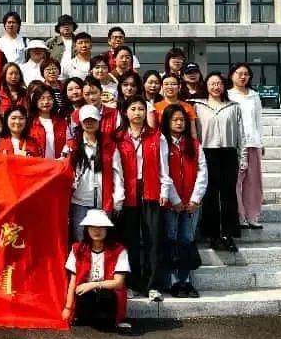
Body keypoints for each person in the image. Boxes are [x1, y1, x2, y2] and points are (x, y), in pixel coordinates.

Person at [114, 97, 171, 302]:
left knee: (153, 238)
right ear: (125, 112)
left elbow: (164, 165)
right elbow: (115, 169)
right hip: (128, 192)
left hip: (151, 190)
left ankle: (153, 285)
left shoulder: (157, 136)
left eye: (141, 109)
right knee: (129, 240)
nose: (137, 113)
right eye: (133, 108)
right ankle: (132, 283)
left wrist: (165, 190)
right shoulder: (118, 137)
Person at [193, 73, 246, 253]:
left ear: (224, 86)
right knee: (210, 195)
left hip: (229, 153)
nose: (216, 87)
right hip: (207, 153)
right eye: (212, 83)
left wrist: (243, 157)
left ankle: (229, 235)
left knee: (229, 195)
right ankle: (213, 235)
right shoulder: (198, 106)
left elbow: (241, 134)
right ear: (206, 86)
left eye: (219, 83)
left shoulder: (234, 107)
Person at [160, 103, 207, 298]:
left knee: (187, 240)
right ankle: (172, 281)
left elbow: (202, 173)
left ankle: (185, 281)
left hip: (191, 204)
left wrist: (195, 199)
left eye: (182, 120)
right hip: (171, 203)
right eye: (175, 120)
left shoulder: (194, 144)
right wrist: (175, 200)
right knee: (170, 240)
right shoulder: (162, 143)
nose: (179, 123)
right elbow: (163, 173)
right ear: (167, 122)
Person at [62, 209, 131, 333]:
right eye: (92, 227)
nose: (96, 231)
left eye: (101, 227)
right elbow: (73, 281)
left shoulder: (119, 250)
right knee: (84, 295)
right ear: (87, 229)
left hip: (108, 297)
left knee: (105, 295)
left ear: (107, 229)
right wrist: (68, 308)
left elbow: (119, 282)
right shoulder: (77, 249)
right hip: (85, 296)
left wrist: (93, 285)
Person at [67, 104, 125, 242]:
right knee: (80, 239)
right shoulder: (72, 145)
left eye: (93, 120)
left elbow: (117, 173)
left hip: (103, 201)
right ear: (80, 122)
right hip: (79, 201)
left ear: (99, 121)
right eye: (86, 120)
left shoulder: (110, 145)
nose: (89, 123)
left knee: (101, 240)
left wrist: (118, 199)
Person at [228, 62, 264, 230]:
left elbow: (258, 120)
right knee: (235, 181)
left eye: (246, 74)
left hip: (253, 142)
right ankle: (239, 215)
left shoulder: (254, 96)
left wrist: (261, 142)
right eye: (239, 73)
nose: (242, 77)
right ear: (232, 75)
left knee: (253, 182)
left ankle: (252, 215)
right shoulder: (228, 94)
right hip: (235, 144)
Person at [69, 77, 122, 142]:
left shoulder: (114, 114)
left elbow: (121, 138)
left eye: (94, 93)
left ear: (101, 92)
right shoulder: (76, 115)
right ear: (83, 95)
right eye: (87, 94)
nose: (91, 97)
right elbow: (72, 139)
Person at [27, 85, 68, 159]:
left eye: (49, 98)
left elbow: (68, 142)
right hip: (37, 164)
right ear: (35, 101)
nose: (46, 102)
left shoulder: (62, 122)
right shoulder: (29, 123)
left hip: (58, 163)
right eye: (42, 98)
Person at [155, 74, 199, 139]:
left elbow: (193, 133)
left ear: (179, 86)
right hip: (162, 142)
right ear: (162, 87)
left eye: (173, 84)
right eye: (166, 84)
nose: (170, 87)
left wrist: (195, 143)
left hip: (183, 143)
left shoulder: (188, 107)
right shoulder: (155, 107)